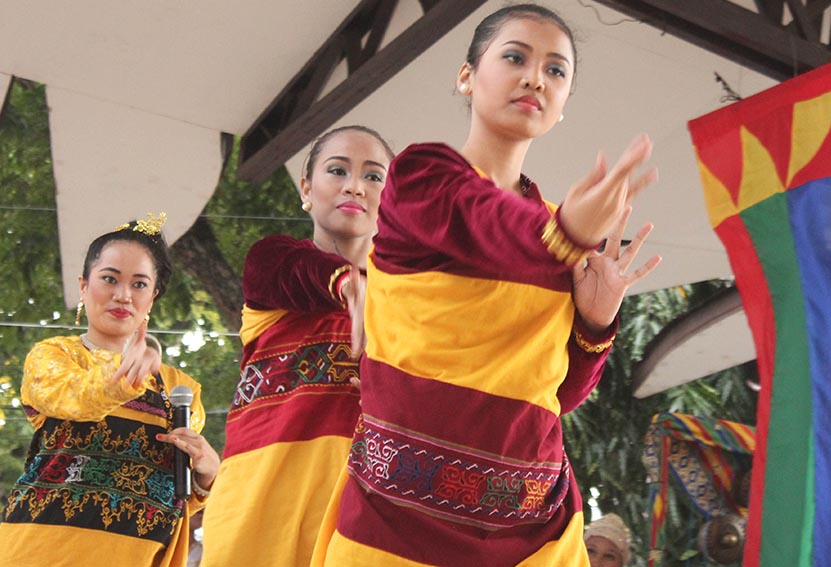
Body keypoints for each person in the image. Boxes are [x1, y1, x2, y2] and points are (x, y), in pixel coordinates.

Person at [311, 5, 660, 567]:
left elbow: (553, 397)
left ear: (564, 103)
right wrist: (567, 234)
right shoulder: (420, 177)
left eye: (556, 71)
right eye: (516, 57)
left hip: (535, 532)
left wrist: (596, 326)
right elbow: (482, 221)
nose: (535, 78)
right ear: (466, 76)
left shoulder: (557, 229)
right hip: (396, 524)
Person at [199, 126, 394, 567]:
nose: (354, 186)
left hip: (367, 528)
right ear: (307, 188)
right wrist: (347, 282)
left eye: (374, 176)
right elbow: (290, 271)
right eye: (337, 170)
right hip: (258, 521)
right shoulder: (273, 262)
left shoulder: (413, 301)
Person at [0, 214, 220, 567]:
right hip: (42, 552)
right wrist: (124, 375)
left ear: (153, 297)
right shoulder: (53, 356)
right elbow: (78, 398)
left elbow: (174, 493)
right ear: (84, 286)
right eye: (109, 279)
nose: (123, 295)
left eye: (139, 284)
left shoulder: (181, 388)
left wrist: (208, 476)